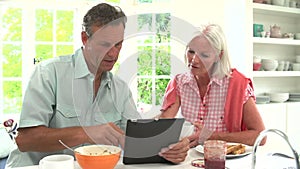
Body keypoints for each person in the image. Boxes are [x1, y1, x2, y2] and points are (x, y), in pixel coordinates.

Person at [5, 3, 189, 168]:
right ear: (85, 39)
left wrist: (169, 150)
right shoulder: (48, 73)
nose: (113, 53)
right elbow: (26, 140)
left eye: (118, 44)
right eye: (105, 44)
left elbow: (135, 141)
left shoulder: (120, 89)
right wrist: (87, 133)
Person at [159, 23, 266, 147]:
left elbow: (260, 136)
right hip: (188, 157)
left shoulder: (237, 85)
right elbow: (164, 125)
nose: (194, 60)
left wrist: (211, 136)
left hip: (225, 159)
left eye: (204, 55)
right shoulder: (179, 83)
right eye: (191, 51)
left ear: (218, 56)